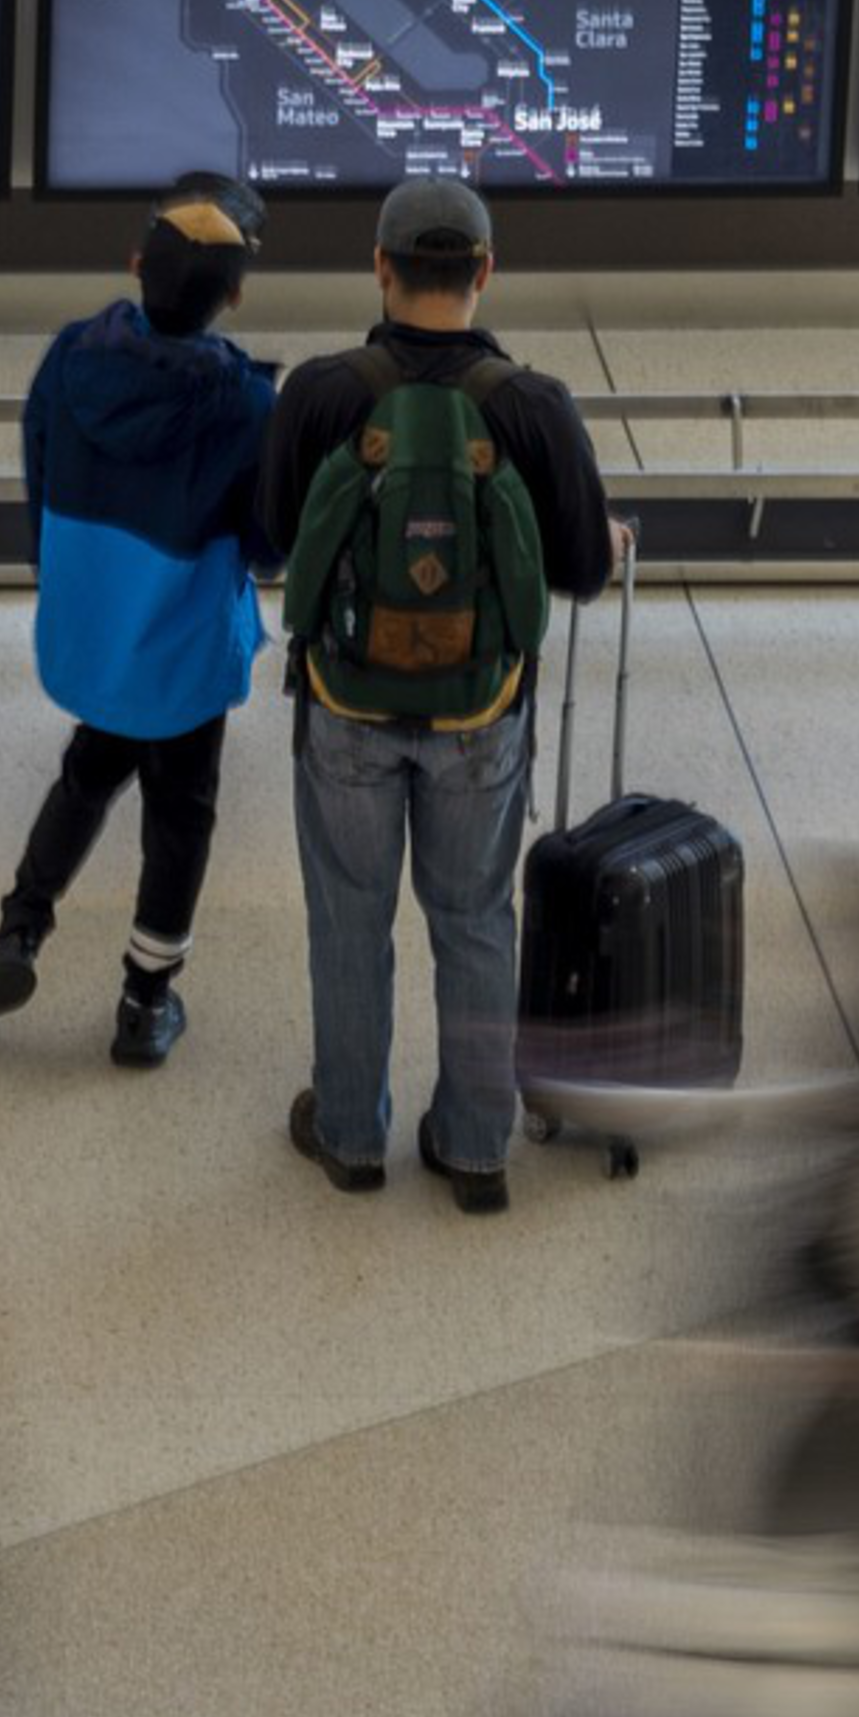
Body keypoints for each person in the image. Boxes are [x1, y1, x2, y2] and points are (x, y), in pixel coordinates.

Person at [251, 178, 619, 1209]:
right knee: (474, 921)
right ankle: (473, 1148)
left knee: (349, 921)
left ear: (379, 266)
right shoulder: (533, 405)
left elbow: (278, 542)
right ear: (487, 273)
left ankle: (350, 1134)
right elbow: (583, 569)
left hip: (344, 708)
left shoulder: (324, 392)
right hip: (480, 719)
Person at [0, 173, 278, 1071]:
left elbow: (41, 482)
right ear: (234, 295)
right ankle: (143, 1003)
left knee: (90, 769)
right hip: (185, 651)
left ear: (134, 265)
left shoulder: (68, 357)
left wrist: (68, 581)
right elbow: (268, 544)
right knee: (181, 814)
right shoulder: (246, 403)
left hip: (97, 629)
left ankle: (18, 935)